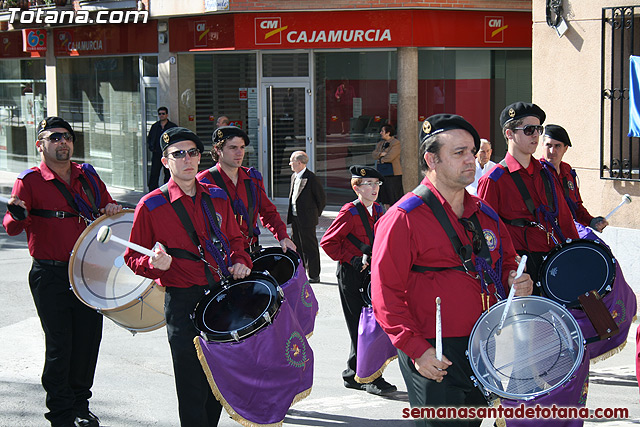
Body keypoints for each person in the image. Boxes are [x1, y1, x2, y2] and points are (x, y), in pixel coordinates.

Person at [371, 114, 533, 426]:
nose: (471, 160)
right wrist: (417, 350)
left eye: (472, 152)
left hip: (484, 343)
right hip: (434, 350)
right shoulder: (403, 217)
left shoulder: (484, 213)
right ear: (431, 159)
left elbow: (507, 262)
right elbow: (384, 295)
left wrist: (515, 280)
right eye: (458, 153)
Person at [124, 127, 252, 427]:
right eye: (178, 154)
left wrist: (241, 260)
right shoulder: (151, 205)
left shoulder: (217, 197)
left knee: (217, 380)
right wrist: (156, 265)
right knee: (191, 383)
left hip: (220, 296)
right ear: (166, 162)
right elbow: (132, 257)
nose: (187, 159)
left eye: (192, 152)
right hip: (183, 302)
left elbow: (236, 240)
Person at [3, 116, 123, 427]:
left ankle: (81, 405)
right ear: (40, 144)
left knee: (87, 341)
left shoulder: (88, 176)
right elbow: (13, 227)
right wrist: (16, 214)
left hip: (89, 272)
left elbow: (107, 209)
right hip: (51, 274)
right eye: (54, 137)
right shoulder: (29, 180)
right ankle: (60, 413)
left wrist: (110, 209)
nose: (62, 142)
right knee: (60, 343)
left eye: (67, 136)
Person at [477, 102, 579, 284]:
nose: (536, 135)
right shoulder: (493, 180)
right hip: (518, 266)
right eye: (529, 129)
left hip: (552, 260)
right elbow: (486, 234)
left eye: (538, 129)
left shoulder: (546, 173)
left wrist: (575, 254)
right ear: (509, 134)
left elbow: (564, 219)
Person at [320, 165, 396, 396]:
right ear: (356, 188)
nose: (374, 188)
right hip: (351, 275)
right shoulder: (349, 212)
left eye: (377, 184)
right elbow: (328, 242)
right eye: (369, 184)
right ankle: (370, 377)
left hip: (371, 274)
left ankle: (353, 374)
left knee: (370, 326)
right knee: (362, 328)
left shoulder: (379, 211)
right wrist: (352, 259)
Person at [197, 126, 296, 255]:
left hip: (249, 253)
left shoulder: (252, 178)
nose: (239, 153)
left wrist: (283, 237)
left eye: (242, 147)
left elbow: (268, 212)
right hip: (219, 256)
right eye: (233, 148)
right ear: (218, 149)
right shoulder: (204, 181)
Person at [541, 124, 608, 232]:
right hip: (548, 233)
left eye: (557, 146)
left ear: (565, 149)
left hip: (570, 230)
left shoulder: (567, 171)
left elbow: (576, 207)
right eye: (548, 145)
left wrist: (591, 221)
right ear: (542, 145)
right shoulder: (537, 172)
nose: (552, 151)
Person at [287, 150, 326, 283]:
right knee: (296, 246)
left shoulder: (311, 178)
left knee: (310, 247)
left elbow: (321, 199)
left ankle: (314, 275)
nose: (289, 163)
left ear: (299, 162)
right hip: (295, 217)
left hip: (307, 218)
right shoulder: (294, 176)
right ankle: (300, 272)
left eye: (292, 161)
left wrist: (314, 214)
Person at [372, 124, 404, 209]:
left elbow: (390, 157)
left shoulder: (395, 143)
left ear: (388, 133)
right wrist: (381, 154)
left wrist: (381, 159)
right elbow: (374, 154)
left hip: (393, 173)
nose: (380, 133)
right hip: (382, 173)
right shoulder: (380, 143)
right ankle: (387, 213)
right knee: (384, 196)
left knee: (393, 195)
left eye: (382, 131)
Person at [147, 107, 177, 191]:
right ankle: (152, 191)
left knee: (168, 173)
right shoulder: (155, 126)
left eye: (163, 114)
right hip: (157, 153)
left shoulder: (172, 127)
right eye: (160, 114)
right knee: (154, 173)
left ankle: (168, 190)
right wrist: (151, 147)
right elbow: (149, 138)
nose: (161, 115)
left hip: (168, 154)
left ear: (167, 115)